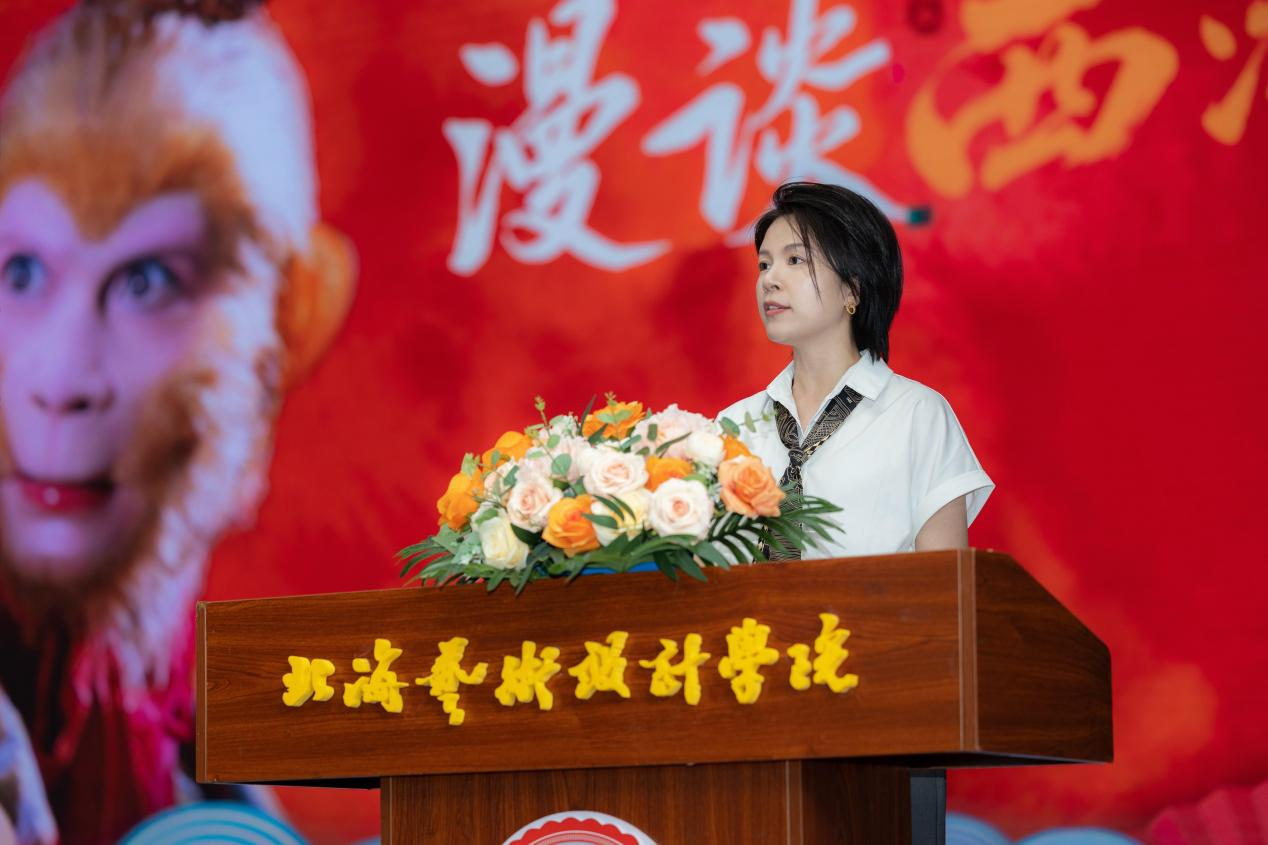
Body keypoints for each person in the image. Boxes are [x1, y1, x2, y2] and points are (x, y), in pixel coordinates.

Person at [717, 181, 992, 558]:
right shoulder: (732, 425)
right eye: (764, 264)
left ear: (852, 289)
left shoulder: (916, 415)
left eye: (795, 260)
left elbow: (947, 583)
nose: (770, 279)